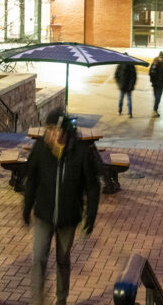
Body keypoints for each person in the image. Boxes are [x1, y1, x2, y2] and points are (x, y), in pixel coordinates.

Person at [24, 109, 100, 305]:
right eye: (50, 130)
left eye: (58, 130)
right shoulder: (41, 149)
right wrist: (27, 207)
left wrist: (90, 215)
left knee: (62, 260)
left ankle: (61, 299)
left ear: (66, 131)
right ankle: (37, 301)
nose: (54, 134)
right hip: (43, 214)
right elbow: (31, 179)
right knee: (39, 258)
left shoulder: (81, 152)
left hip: (68, 217)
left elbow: (92, 186)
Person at [148, 51, 163, 117]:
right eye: (160, 57)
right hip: (155, 84)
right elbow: (150, 73)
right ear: (158, 57)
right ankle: (155, 109)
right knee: (156, 97)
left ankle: (155, 110)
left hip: (161, 84)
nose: (161, 59)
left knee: (158, 97)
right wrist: (152, 81)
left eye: (162, 57)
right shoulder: (154, 63)